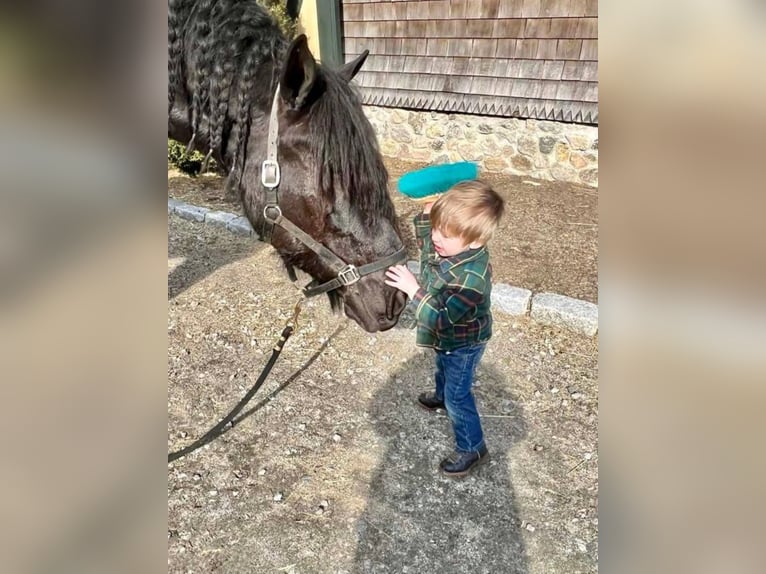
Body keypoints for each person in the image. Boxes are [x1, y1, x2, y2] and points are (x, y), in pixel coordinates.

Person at [385, 180, 505, 477]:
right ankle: (441, 394)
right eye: (436, 228)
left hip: (464, 343)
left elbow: (439, 318)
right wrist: (429, 214)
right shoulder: (452, 248)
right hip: (448, 341)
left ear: (475, 241)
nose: (436, 237)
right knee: (442, 367)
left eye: (445, 233)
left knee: (458, 395)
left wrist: (414, 290)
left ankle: (473, 447)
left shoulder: (470, 278)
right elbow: (429, 246)